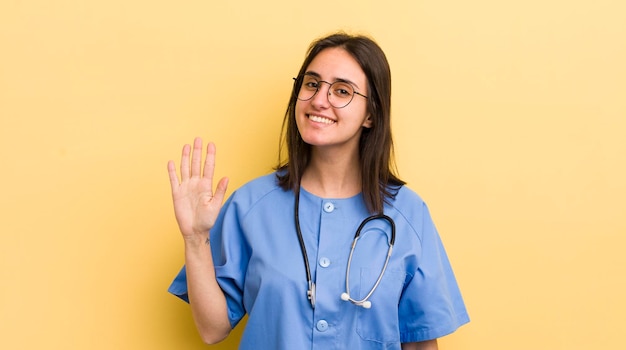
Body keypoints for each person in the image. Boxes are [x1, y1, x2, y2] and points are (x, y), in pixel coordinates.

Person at [167, 32, 469, 349]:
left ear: (371, 115)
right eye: (311, 84)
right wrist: (195, 238)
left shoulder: (408, 214)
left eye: (342, 91)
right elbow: (212, 329)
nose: (319, 100)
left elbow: (421, 343)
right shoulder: (250, 206)